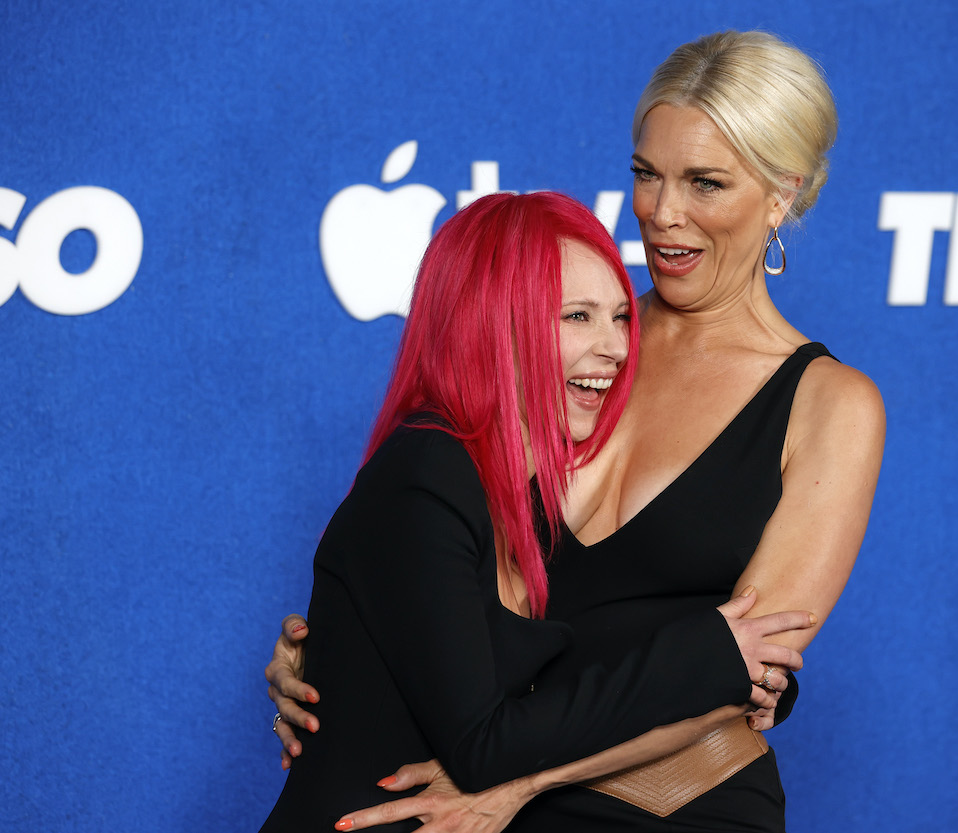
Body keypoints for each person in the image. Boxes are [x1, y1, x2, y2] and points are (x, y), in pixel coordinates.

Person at [268, 30, 885, 832]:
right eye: (646, 174)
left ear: (782, 195)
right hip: (481, 780)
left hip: (666, 801)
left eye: (705, 183)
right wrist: (330, 668)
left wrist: (517, 782)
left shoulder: (829, 404)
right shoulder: (572, 332)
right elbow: (423, 554)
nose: (664, 213)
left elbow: (739, 665)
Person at [257, 190, 814, 833]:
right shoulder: (427, 475)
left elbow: (562, 670)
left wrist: (744, 679)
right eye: (577, 316)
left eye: (619, 318)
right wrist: (705, 660)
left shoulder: (527, 496)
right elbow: (482, 744)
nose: (615, 348)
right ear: (490, 323)